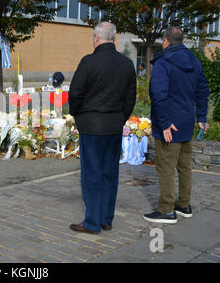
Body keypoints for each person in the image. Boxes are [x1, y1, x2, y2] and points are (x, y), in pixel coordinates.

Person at [69, 22, 137, 234]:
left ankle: (92, 222)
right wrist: (120, 118)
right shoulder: (126, 64)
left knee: (92, 175)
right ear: (114, 38)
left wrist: (77, 114)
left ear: (96, 38)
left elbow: (75, 94)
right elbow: (130, 97)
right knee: (110, 174)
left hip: (91, 126)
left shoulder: (89, 62)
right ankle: (106, 218)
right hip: (113, 126)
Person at [143, 27, 209, 224]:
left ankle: (166, 209)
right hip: (186, 121)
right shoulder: (194, 61)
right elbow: (203, 89)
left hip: (169, 123)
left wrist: (164, 123)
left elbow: (158, 94)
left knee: (165, 166)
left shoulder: (163, 62)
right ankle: (183, 204)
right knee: (184, 166)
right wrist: (201, 117)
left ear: (165, 41)